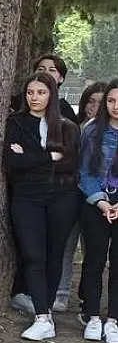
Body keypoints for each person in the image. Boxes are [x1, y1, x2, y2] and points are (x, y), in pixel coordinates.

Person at [6, 72, 81, 341]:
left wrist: (29, 156)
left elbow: (70, 164)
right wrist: (48, 156)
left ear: (51, 95)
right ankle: (41, 316)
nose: (34, 98)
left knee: (54, 253)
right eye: (30, 93)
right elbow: (13, 164)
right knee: (33, 255)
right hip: (27, 197)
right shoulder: (16, 123)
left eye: (40, 92)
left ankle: (46, 311)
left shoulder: (68, 127)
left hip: (62, 197)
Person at [54, 82, 109, 312]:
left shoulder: (106, 133)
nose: (94, 106)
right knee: (66, 244)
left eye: (100, 102)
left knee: (93, 250)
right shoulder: (75, 127)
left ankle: (88, 297)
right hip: (70, 193)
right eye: (90, 101)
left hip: (95, 198)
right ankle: (61, 293)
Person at [79, 80, 118, 343]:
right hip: (96, 203)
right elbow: (83, 171)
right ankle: (92, 316)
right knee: (94, 260)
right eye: (112, 101)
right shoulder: (93, 131)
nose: (116, 107)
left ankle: (113, 320)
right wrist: (101, 202)